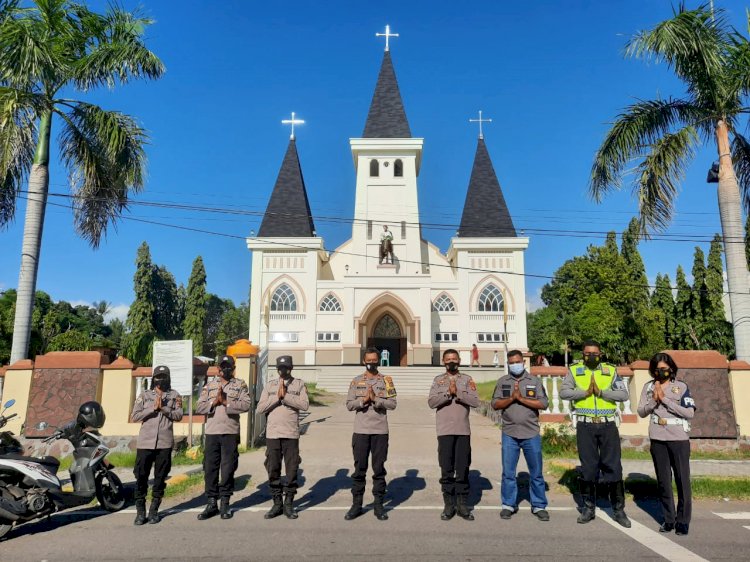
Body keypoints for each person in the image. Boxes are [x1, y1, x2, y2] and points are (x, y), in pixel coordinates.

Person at [559, 340, 631, 527]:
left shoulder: (609, 370)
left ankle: (618, 509)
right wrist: (584, 393)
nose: (591, 356)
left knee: (613, 466)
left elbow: (623, 395)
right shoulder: (575, 370)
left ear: (601, 354)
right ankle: (588, 508)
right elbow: (564, 393)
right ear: (583, 354)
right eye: (587, 353)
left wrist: (601, 393)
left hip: (608, 425)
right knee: (589, 468)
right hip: (586, 425)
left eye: (595, 353)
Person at [637, 352, 695, 535]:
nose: (661, 372)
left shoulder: (681, 386)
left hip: (678, 438)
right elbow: (641, 411)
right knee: (663, 481)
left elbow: (689, 413)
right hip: (658, 438)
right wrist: (654, 400)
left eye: (664, 369)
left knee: (682, 480)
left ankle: (683, 521)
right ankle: (669, 520)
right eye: (657, 369)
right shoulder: (648, 387)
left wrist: (665, 400)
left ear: (671, 368)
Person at [492, 351, 549, 521]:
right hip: (509, 433)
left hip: (531, 433)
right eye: (511, 362)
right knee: (508, 472)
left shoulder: (534, 381)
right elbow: (495, 404)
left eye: (517, 361)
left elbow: (544, 403)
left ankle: (539, 505)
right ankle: (508, 504)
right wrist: (511, 398)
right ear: (508, 363)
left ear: (523, 362)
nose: (515, 365)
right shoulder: (503, 382)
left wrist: (521, 399)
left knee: (536, 472)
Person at [195, 354, 251, 520]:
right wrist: (214, 403)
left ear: (233, 369)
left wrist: (227, 403)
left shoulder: (240, 385)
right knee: (210, 469)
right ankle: (211, 503)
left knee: (227, 469)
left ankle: (225, 503)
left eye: (229, 366)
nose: (226, 369)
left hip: (230, 432)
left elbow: (246, 404)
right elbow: (199, 407)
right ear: (218, 368)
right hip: (212, 432)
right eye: (223, 366)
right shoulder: (210, 385)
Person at [345, 347, 397, 520]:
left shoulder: (387, 381)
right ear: (363, 361)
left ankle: (378, 505)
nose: (372, 363)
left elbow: (392, 404)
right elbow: (349, 405)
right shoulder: (356, 381)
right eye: (369, 361)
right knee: (359, 470)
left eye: (375, 361)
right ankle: (356, 505)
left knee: (379, 470)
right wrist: (363, 401)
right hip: (360, 432)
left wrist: (376, 400)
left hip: (380, 432)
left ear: (378, 361)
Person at [428, 348, 480, 521]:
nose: (451, 361)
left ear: (459, 360)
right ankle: (449, 505)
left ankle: (463, 505)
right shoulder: (438, 380)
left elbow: (475, 401)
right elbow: (431, 402)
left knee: (463, 468)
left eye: (454, 358)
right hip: (444, 431)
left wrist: (458, 394)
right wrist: (447, 393)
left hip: (462, 431)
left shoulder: (467, 379)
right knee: (447, 469)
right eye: (448, 359)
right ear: (443, 361)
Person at [257, 355, 309, 520]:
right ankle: (277, 503)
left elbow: (304, 404)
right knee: (273, 469)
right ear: (277, 369)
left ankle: (289, 504)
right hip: (273, 434)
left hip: (291, 434)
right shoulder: (270, 385)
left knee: (292, 470)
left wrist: (286, 397)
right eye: (280, 368)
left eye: (286, 367)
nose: (283, 370)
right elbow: (260, 408)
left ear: (291, 368)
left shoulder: (299, 384)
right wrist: (277, 397)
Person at [130, 365, 183, 525]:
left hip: (164, 443)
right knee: (141, 477)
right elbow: (135, 416)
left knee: (160, 478)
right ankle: (140, 512)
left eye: (163, 376)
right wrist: (152, 409)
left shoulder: (174, 396)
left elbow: (178, 415)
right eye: (158, 377)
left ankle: (154, 511)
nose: (161, 380)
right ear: (153, 379)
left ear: (168, 378)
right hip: (145, 442)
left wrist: (164, 408)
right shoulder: (145, 395)